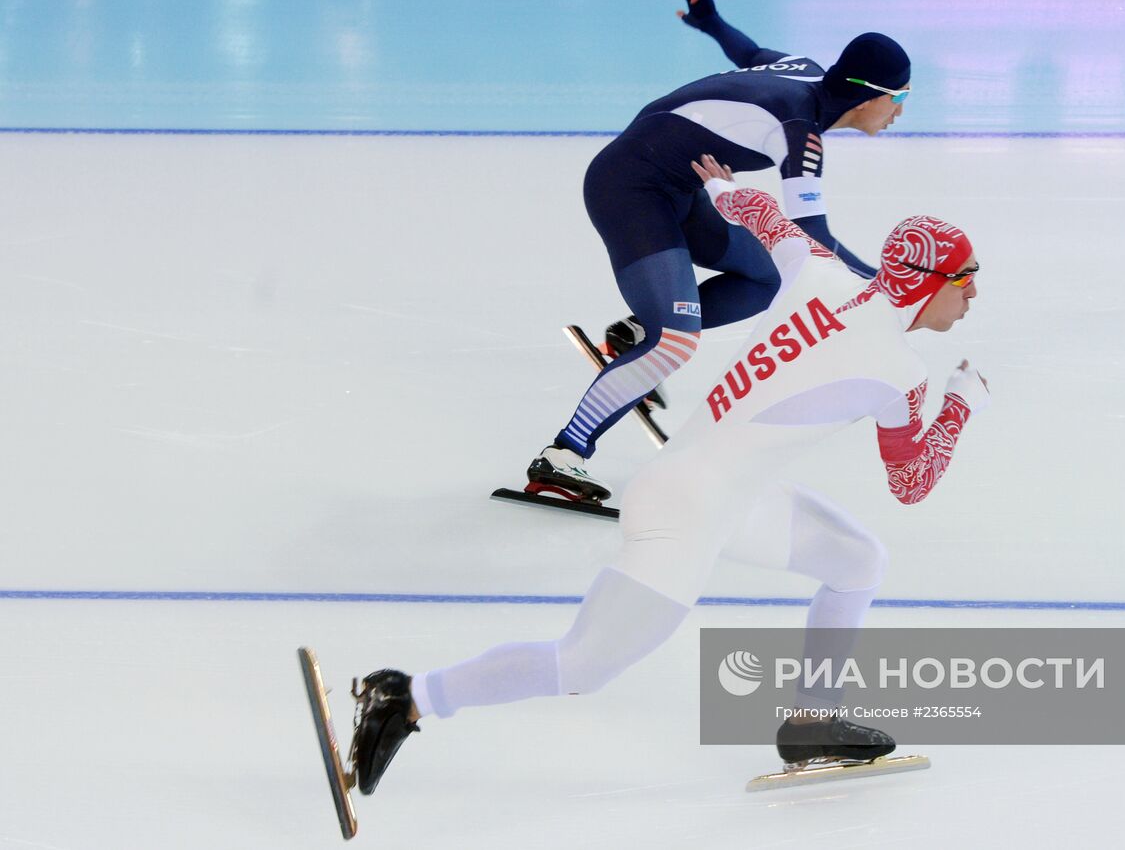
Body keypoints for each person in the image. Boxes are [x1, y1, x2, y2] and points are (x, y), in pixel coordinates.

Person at [344, 154, 989, 795]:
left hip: (726, 495)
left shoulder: (819, 269)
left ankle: (812, 722)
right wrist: (960, 404)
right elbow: (911, 483)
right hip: (687, 513)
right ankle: (407, 697)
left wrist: (723, 189)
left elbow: (764, 215)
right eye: (966, 278)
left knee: (857, 561)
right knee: (582, 666)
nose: (973, 294)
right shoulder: (902, 372)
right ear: (929, 282)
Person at [527, 0, 913, 502]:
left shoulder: (807, 71)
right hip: (630, 189)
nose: (901, 111)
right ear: (868, 96)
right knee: (676, 340)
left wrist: (710, 20)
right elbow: (811, 238)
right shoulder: (799, 131)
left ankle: (636, 336)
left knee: (768, 275)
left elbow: (749, 54)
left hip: (678, 186)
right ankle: (563, 454)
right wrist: (885, 282)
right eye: (899, 96)